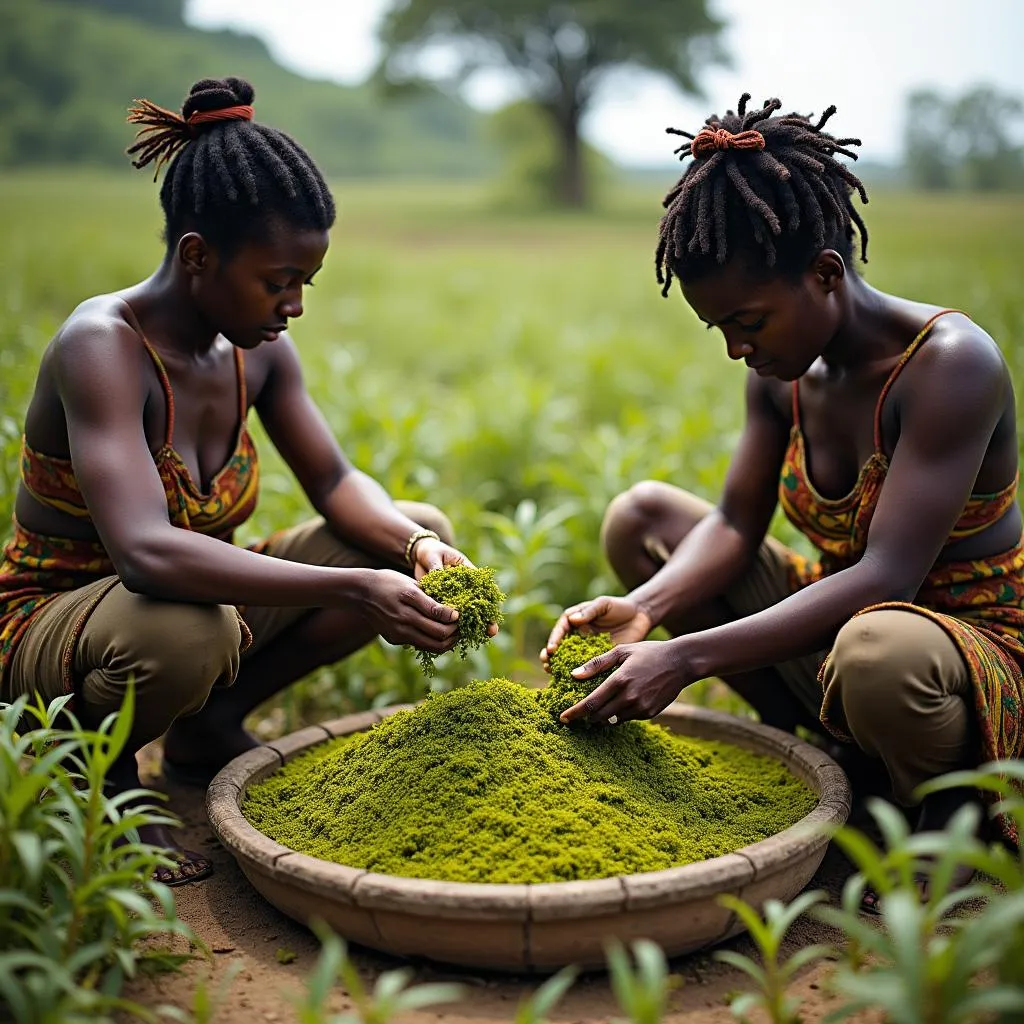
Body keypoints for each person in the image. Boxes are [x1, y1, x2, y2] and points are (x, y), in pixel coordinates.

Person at [0, 77, 490, 885]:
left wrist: (411, 545)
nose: (294, 304)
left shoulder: (253, 351)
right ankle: (103, 781)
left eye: (306, 282)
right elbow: (146, 556)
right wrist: (353, 590)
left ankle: (206, 728)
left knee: (407, 530)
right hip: (59, 625)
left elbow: (333, 479)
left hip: (189, 605)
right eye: (278, 280)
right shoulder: (103, 346)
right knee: (188, 631)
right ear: (198, 256)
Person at [543, 94, 1023, 911]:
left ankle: (948, 814)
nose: (738, 348)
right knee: (644, 519)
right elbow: (734, 524)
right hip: (846, 625)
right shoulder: (786, 375)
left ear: (826, 274)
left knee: (879, 651)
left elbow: (887, 578)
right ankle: (838, 756)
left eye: (748, 322)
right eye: (719, 330)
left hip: (959, 654)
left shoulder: (949, 366)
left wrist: (688, 658)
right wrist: (647, 609)